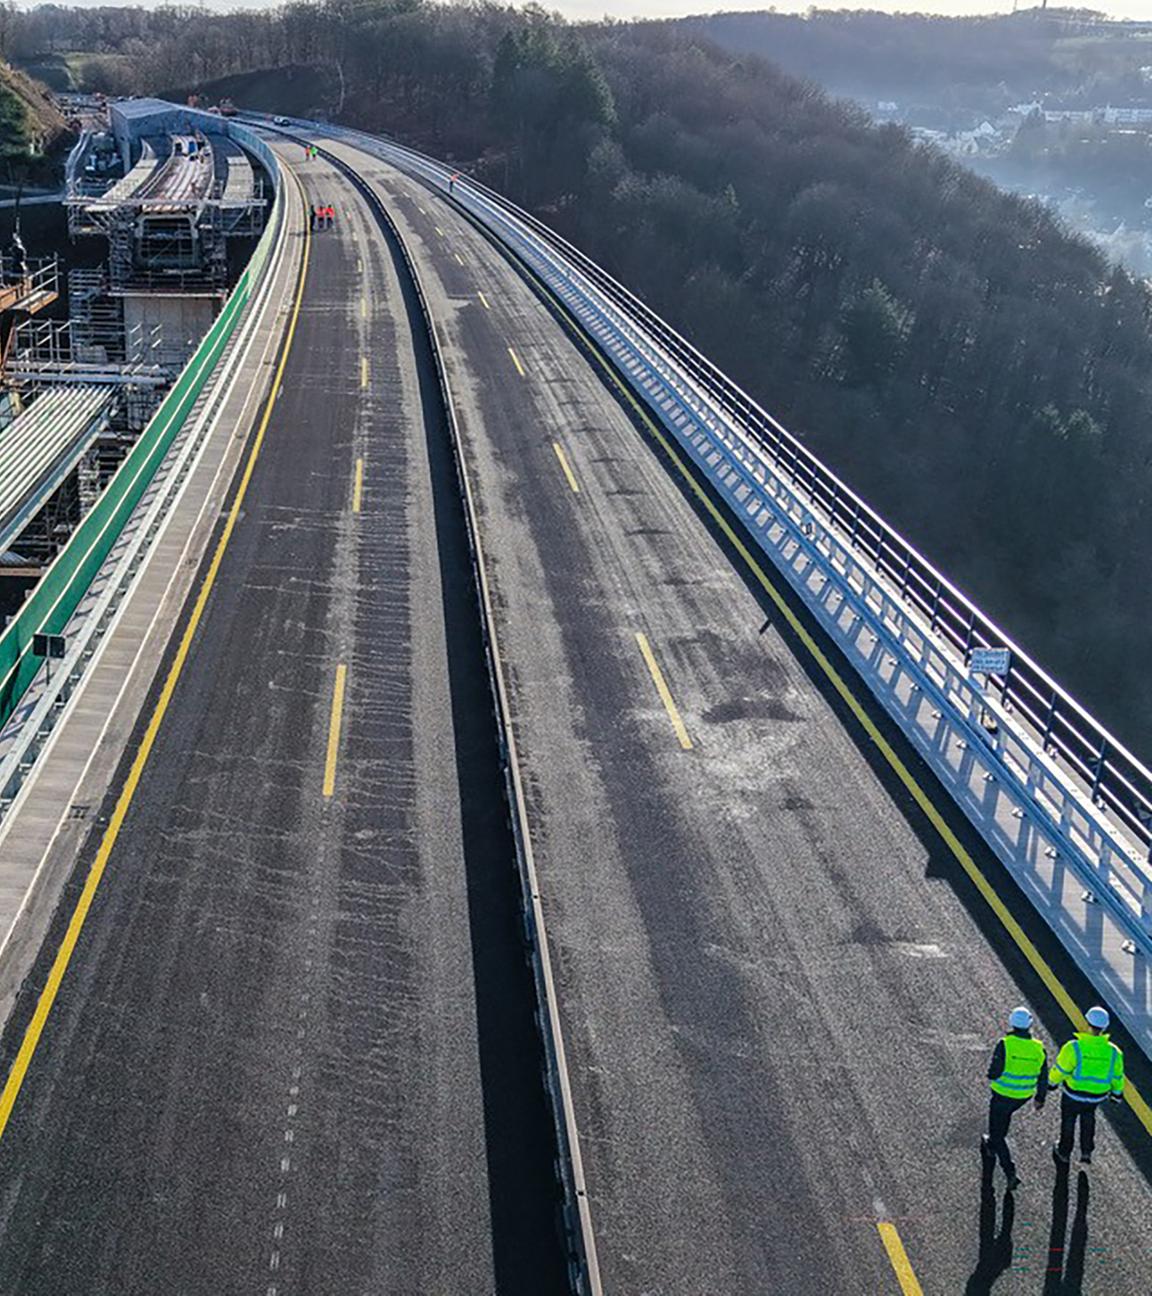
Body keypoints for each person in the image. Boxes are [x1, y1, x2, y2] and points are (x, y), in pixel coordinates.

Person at [1049, 1006, 1124, 1167]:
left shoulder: (1074, 1047)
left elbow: (1061, 1070)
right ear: (1105, 1027)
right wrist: (1117, 1094)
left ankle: (1064, 1152)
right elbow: (1117, 1076)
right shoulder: (1114, 1052)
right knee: (1088, 1118)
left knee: (1068, 1121)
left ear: (1087, 1023)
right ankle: (1086, 1151)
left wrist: (1051, 1083)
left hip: (1073, 1093)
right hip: (1096, 1096)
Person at [982, 1006, 1047, 1190]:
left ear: (1012, 1023)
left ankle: (1010, 1171)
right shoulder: (1038, 1047)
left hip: (1002, 1093)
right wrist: (1040, 1098)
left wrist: (991, 1076)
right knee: (1005, 1117)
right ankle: (994, 1142)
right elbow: (1043, 1075)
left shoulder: (1005, 1043)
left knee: (997, 1132)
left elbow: (996, 1070)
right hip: (1022, 1096)